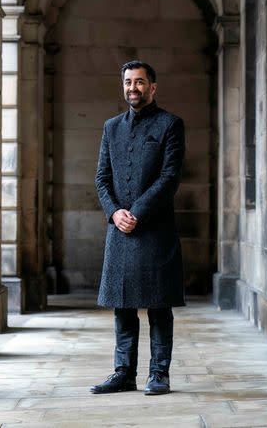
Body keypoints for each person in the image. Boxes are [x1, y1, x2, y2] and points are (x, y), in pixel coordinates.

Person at [90, 60, 186, 396]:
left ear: (153, 87)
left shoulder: (170, 125)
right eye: (129, 82)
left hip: (155, 230)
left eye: (140, 82)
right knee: (123, 305)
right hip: (119, 230)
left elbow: (169, 178)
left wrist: (137, 213)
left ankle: (159, 375)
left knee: (159, 306)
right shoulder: (111, 127)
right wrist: (115, 213)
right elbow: (102, 179)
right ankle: (123, 373)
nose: (134, 87)